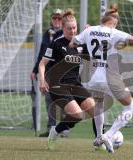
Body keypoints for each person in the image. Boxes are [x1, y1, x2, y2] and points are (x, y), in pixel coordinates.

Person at [69, 4, 133, 153]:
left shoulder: (89, 30)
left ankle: (99, 137)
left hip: (91, 79)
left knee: (99, 106)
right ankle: (108, 135)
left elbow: (72, 43)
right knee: (130, 107)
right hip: (109, 77)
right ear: (113, 22)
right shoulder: (114, 32)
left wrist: (86, 37)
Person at [39, 8, 95, 150]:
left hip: (75, 84)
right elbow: (42, 63)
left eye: (75, 27)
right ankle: (55, 131)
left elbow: (91, 58)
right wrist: (42, 80)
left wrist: (89, 37)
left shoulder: (81, 43)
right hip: (58, 85)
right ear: (63, 28)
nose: (72, 31)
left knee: (96, 110)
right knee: (77, 116)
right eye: (69, 28)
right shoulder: (56, 43)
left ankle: (100, 141)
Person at [30, 9, 70, 137]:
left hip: (61, 72)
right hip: (48, 72)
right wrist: (35, 70)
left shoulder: (65, 33)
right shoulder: (47, 33)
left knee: (64, 100)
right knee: (49, 100)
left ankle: (64, 128)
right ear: (52, 19)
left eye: (59, 18)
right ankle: (52, 128)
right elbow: (42, 53)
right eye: (55, 18)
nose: (57, 20)